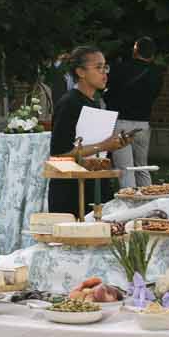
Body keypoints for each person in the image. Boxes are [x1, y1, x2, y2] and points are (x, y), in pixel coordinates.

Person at [48, 46, 123, 214]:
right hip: (73, 191)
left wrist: (115, 144)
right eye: (98, 67)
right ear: (81, 72)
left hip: (93, 184)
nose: (104, 73)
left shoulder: (93, 102)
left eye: (105, 67)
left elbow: (93, 144)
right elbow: (59, 153)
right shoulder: (69, 103)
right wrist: (103, 146)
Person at [107, 36, 163, 190]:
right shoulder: (157, 73)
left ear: (135, 50)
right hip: (143, 122)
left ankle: (129, 202)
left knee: (125, 169)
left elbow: (109, 92)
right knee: (141, 167)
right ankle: (148, 199)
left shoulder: (120, 68)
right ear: (152, 54)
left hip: (122, 122)